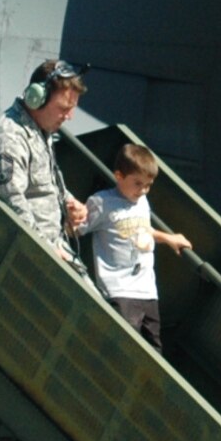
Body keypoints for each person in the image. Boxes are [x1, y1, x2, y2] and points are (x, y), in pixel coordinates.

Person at [77, 142, 191, 350]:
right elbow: (77, 229)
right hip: (120, 290)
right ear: (119, 176)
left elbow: (144, 230)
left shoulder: (142, 202)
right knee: (128, 348)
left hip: (147, 291)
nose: (143, 190)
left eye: (148, 185)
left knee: (154, 349)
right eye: (138, 184)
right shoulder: (102, 202)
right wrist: (74, 216)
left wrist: (168, 238)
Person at [0, 60, 88, 264]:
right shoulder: (8, 138)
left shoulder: (41, 131)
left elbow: (47, 184)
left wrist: (70, 204)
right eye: (64, 108)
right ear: (36, 99)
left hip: (54, 246)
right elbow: (12, 203)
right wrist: (47, 251)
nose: (69, 116)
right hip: (28, 256)